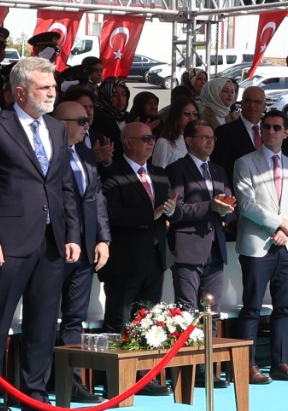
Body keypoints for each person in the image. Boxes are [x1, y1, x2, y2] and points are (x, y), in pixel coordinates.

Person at [0, 56, 85, 411]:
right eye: (43, 87)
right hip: (9, 242)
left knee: (41, 326)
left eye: (53, 86)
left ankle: (34, 401)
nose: (52, 92)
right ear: (20, 92)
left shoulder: (55, 129)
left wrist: (72, 234)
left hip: (51, 243)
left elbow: (64, 186)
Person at [231, 107, 288, 381]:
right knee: (252, 307)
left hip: (287, 244)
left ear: (286, 132)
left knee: (285, 307)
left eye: (277, 127)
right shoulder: (245, 162)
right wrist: (279, 224)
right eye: (267, 127)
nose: (271, 131)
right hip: (257, 246)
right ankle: (248, 366)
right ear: (260, 131)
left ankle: (280, 363)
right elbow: (247, 205)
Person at [163, 115, 236, 333]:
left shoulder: (218, 170)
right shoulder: (177, 169)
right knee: (187, 314)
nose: (210, 142)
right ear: (189, 140)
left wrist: (227, 212)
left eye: (212, 138)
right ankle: (188, 366)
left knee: (211, 314)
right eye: (204, 137)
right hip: (188, 250)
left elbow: (229, 205)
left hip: (215, 249)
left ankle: (206, 367)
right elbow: (176, 210)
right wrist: (210, 207)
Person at [50, 97, 112, 345]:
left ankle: (71, 378)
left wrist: (103, 239)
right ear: (61, 123)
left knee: (75, 316)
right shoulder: (48, 154)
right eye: (81, 121)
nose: (88, 125)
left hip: (86, 249)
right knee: (44, 314)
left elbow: (97, 198)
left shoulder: (86, 154)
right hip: (55, 246)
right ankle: (41, 379)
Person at [100, 120, 172, 329]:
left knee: (149, 325)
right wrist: (150, 215)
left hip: (156, 259)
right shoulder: (112, 172)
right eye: (146, 139)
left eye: (153, 138)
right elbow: (110, 213)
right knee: (119, 324)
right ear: (129, 142)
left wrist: (173, 210)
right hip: (125, 261)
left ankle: (147, 364)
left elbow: (168, 209)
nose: (152, 143)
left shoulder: (159, 173)